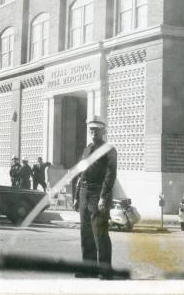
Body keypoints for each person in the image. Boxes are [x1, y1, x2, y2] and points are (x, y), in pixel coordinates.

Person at [73, 115, 117, 279]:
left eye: (97, 130)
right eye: (91, 129)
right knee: (85, 232)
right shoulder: (86, 149)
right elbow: (81, 173)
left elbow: (110, 175)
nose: (93, 132)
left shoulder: (109, 150)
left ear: (103, 131)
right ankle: (88, 268)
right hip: (84, 193)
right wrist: (77, 196)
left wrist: (103, 197)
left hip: (98, 193)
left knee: (100, 232)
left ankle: (105, 270)